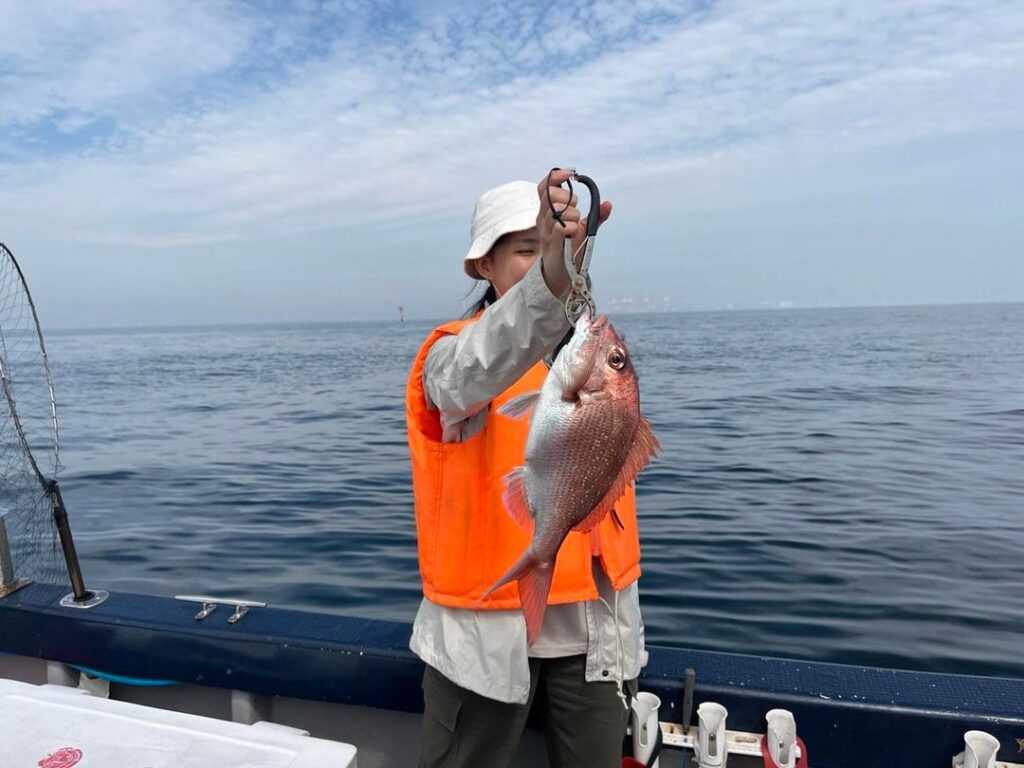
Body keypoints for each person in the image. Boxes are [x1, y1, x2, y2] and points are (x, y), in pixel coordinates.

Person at [406, 169, 647, 768]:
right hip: (483, 633)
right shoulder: (449, 355)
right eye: (525, 249)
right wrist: (553, 281)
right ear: (482, 266)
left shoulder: (588, 358)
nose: (542, 261)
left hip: (598, 629)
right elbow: (478, 365)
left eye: (552, 248)